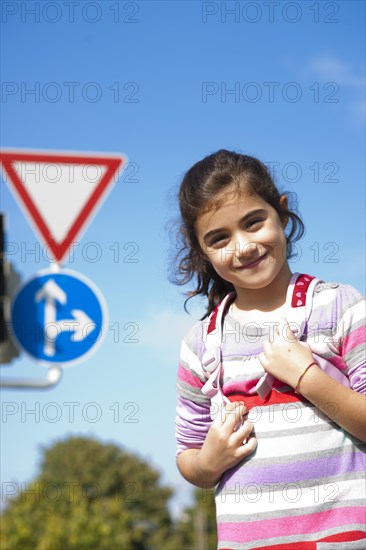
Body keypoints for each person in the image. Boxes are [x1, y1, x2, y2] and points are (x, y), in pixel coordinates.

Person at [173, 150, 366, 549]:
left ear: (281, 212)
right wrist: (208, 463)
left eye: (253, 222)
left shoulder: (341, 307)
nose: (242, 247)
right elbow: (188, 456)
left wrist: (306, 377)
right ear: (201, 251)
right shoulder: (200, 344)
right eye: (219, 238)